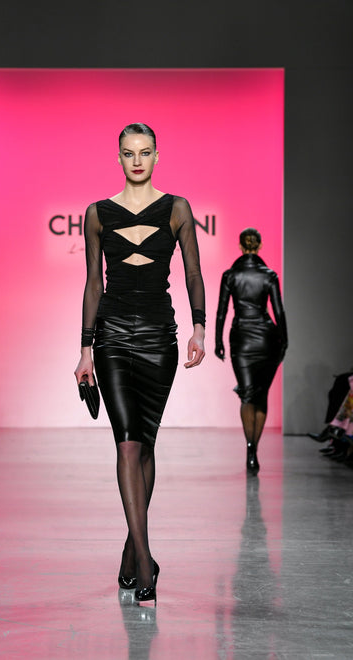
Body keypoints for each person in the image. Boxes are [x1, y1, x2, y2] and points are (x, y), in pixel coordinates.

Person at [74, 123, 205, 603]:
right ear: (118, 157)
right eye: (128, 153)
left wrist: (199, 327)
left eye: (144, 152)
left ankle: (132, 552)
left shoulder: (177, 208)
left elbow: (193, 271)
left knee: (145, 444)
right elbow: (94, 283)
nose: (136, 160)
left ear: (156, 156)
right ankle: (147, 564)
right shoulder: (97, 213)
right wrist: (85, 349)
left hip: (158, 339)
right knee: (128, 443)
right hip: (111, 338)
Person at [214, 228, 287, 475]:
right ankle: (254, 447)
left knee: (247, 395)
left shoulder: (230, 275)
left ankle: (250, 448)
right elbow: (278, 311)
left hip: (242, 339)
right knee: (261, 395)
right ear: (260, 245)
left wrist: (218, 340)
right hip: (267, 339)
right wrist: (285, 340)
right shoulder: (269, 275)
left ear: (240, 246)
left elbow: (222, 311)